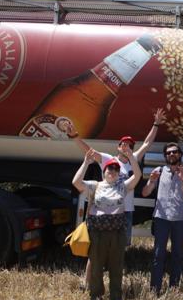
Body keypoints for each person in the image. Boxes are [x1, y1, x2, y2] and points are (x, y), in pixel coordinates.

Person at [67, 108, 165, 288]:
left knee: (118, 249)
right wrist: (74, 136)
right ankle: (87, 283)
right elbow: (89, 152)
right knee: (96, 250)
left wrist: (156, 124)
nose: (126, 147)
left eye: (129, 145)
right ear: (118, 147)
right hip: (105, 211)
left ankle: (113, 285)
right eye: (123, 144)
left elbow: (147, 143)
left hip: (125, 213)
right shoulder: (109, 160)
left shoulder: (133, 159)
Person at [72, 147, 141, 300]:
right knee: (96, 267)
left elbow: (138, 176)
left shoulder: (122, 186)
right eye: (110, 168)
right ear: (104, 171)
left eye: (116, 169)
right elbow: (76, 182)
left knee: (116, 267)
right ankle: (95, 299)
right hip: (97, 233)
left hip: (117, 233)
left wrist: (131, 157)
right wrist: (86, 163)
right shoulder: (95, 186)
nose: (113, 171)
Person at [141, 142, 183, 295]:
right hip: (161, 218)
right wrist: (152, 181)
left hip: (179, 219)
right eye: (168, 153)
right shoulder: (158, 171)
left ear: (180, 154)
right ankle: (155, 290)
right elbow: (145, 193)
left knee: (177, 255)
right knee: (158, 255)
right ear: (165, 156)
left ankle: (174, 290)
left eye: (175, 152)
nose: (171, 154)